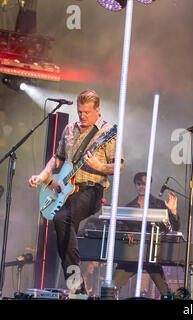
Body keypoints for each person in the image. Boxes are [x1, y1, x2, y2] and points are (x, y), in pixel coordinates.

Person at [28, 89, 123, 294]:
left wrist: (98, 166)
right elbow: (58, 158)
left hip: (92, 190)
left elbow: (118, 167)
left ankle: (75, 284)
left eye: (87, 112)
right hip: (67, 191)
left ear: (98, 110)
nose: (82, 116)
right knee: (61, 231)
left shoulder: (107, 132)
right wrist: (43, 175)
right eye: (80, 111)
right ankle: (76, 287)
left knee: (62, 219)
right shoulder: (70, 129)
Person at [112, 172, 179, 298]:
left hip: (152, 254)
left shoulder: (160, 205)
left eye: (144, 184)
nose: (141, 186)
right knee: (112, 287)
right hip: (131, 254)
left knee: (165, 292)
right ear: (135, 185)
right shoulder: (129, 207)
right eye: (139, 184)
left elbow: (173, 229)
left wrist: (173, 211)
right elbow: (122, 230)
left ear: (150, 185)